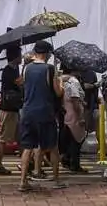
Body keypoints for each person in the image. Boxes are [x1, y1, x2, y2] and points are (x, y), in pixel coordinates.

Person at [18, 40, 65, 192]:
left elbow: (23, 85)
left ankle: (23, 182)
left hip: (28, 112)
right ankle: (56, 179)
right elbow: (58, 92)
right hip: (45, 112)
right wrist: (61, 83)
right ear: (46, 53)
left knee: (27, 148)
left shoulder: (26, 68)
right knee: (52, 147)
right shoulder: (49, 69)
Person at [0, 45, 22, 175]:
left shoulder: (14, 69)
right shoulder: (8, 70)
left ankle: (26, 162)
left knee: (21, 137)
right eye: (20, 55)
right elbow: (19, 82)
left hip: (14, 108)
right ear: (16, 56)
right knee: (3, 138)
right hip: (9, 108)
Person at [59, 65, 87, 173]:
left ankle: (67, 159)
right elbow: (75, 100)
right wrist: (81, 117)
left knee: (70, 138)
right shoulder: (73, 81)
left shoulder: (61, 81)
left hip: (66, 113)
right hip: (75, 114)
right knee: (77, 140)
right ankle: (74, 164)